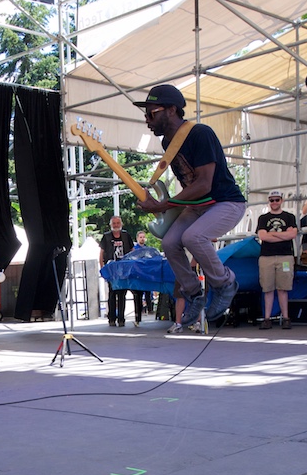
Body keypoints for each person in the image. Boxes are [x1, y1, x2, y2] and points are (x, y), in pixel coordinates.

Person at [134, 85, 246, 327]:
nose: (147, 120)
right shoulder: (168, 143)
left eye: (151, 114)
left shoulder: (200, 134)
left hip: (225, 202)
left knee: (193, 237)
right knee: (169, 243)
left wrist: (162, 206)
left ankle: (225, 282)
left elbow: (204, 184)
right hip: (197, 205)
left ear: (172, 110)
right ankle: (194, 293)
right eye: (146, 115)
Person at [256, 190, 297, 330]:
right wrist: (283, 235)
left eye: (277, 200)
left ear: (281, 200)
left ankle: (286, 318)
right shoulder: (263, 218)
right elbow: (263, 236)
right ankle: (267, 318)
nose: (274, 202)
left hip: (285, 255)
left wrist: (272, 234)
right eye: (272, 200)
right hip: (266, 256)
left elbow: (292, 235)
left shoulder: (289, 217)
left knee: (283, 288)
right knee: (267, 288)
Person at [99, 215, 134, 327]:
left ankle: (121, 319)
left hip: (124, 269)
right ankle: (112, 318)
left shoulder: (126, 236)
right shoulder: (106, 237)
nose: (116, 225)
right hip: (111, 269)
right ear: (110, 225)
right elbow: (101, 253)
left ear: (121, 224)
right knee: (112, 293)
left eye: (118, 223)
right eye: (114, 223)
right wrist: (102, 267)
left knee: (122, 294)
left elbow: (132, 251)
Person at [133, 230, 154, 314]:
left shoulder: (147, 249)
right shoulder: (135, 249)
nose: (142, 239)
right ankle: (139, 310)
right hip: (138, 272)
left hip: (146, 272)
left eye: (143, 237)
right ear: (137, 238)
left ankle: (150, 308)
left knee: (148, 291)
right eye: (140, 237)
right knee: (139, 292)